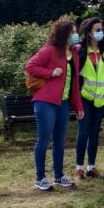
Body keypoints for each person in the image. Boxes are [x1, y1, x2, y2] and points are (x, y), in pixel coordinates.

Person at [26, 19, 84, 191]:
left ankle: (59, 176)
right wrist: (50, 73)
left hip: (63, 103)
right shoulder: (49, 51)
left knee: (60, 141)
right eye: (73, 32)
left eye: (76, 32)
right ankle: (40, 178)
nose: (76, 35)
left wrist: (79, 107)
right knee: (43, 140)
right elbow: (30, 66)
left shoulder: (73, 54)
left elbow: (74, 84)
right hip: (45, 102)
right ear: (63, 34)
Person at [74, 17, 104, 179]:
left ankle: (91, 167)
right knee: (84, 132)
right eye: (97, 30)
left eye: (101, 29)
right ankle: (79, 167)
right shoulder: (79, 49)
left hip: (101, 99)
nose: (100, 32)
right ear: (89, 32)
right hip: (84, 98)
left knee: (95, 133)